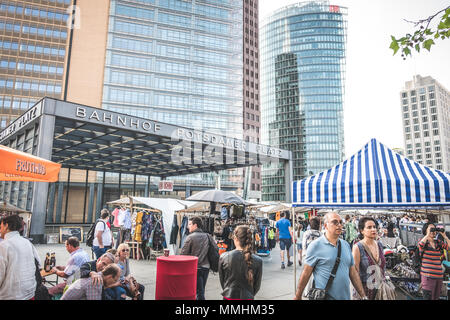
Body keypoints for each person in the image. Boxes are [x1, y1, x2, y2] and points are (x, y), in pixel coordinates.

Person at [294, 212, 367, 300]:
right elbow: (306, 273)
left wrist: (363, 296)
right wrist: (298, 295)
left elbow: (353, 272)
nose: (339, 225)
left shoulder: (346, 245)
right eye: (335, 222)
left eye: (340, 222)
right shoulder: (315, 245)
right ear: (326, 225)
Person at [0, 215, 41, 300]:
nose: (0, 230)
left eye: (0, 227)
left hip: (11, 295)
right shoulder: (27, 242)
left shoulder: (4, 245)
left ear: (6, 225)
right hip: (29, 292)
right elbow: (38, 264)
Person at [218, 225, 263, 300]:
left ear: (235, 238)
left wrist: (227, 291)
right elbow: (257, 286)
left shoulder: (224, 257)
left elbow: (222, 280)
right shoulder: (258, 260)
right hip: (248, 297)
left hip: (229, 296)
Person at [181, 216, 218, 300]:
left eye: (190, 224)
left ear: (195, 225)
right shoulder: (208, 236)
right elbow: (216, 249)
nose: (188, 226)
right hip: (206, 267)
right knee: (201, 290)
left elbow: (183, 254)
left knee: (198, 292)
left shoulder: (190, 237)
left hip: (195, 268)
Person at [352, 217, 386, 300]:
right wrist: (362, 295)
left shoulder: (379, 245)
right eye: (369, 227)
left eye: (374, 227)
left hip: (380, 290)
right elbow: (355, 273)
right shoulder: (357, 247)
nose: (373, 229)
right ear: (361, 230)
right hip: (365, 291)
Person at [418, 223, 450, 300]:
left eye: (434, 229)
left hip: (438, 276)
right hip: (428, 277)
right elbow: (420, 245)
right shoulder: (424, 242)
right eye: (431, 229)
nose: (433, 231)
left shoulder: (438, 243)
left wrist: (445, 236)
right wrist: (427, 234)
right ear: (425, 231)